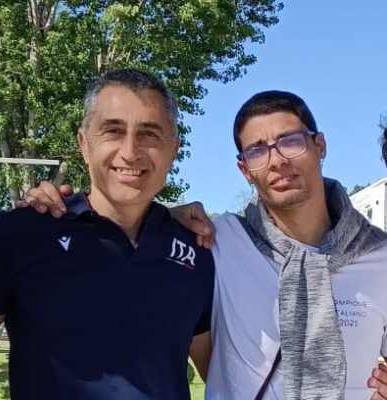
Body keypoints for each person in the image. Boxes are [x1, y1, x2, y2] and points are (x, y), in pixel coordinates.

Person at [26, 90, 387, 400]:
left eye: (290, 141)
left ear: (319, 145)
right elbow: (127, 226)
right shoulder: (219, 241)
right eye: (257, 151)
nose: (277, 160)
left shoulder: (380, 259)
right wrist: (57, 209)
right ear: (244, 169)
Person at [0, 68, 214, 399]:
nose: (130, 152)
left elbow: (227, 378)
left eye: (149, 134)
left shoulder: (196, 249)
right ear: (84, 144)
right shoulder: (22, 234)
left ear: (173, 149)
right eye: (113, 131)